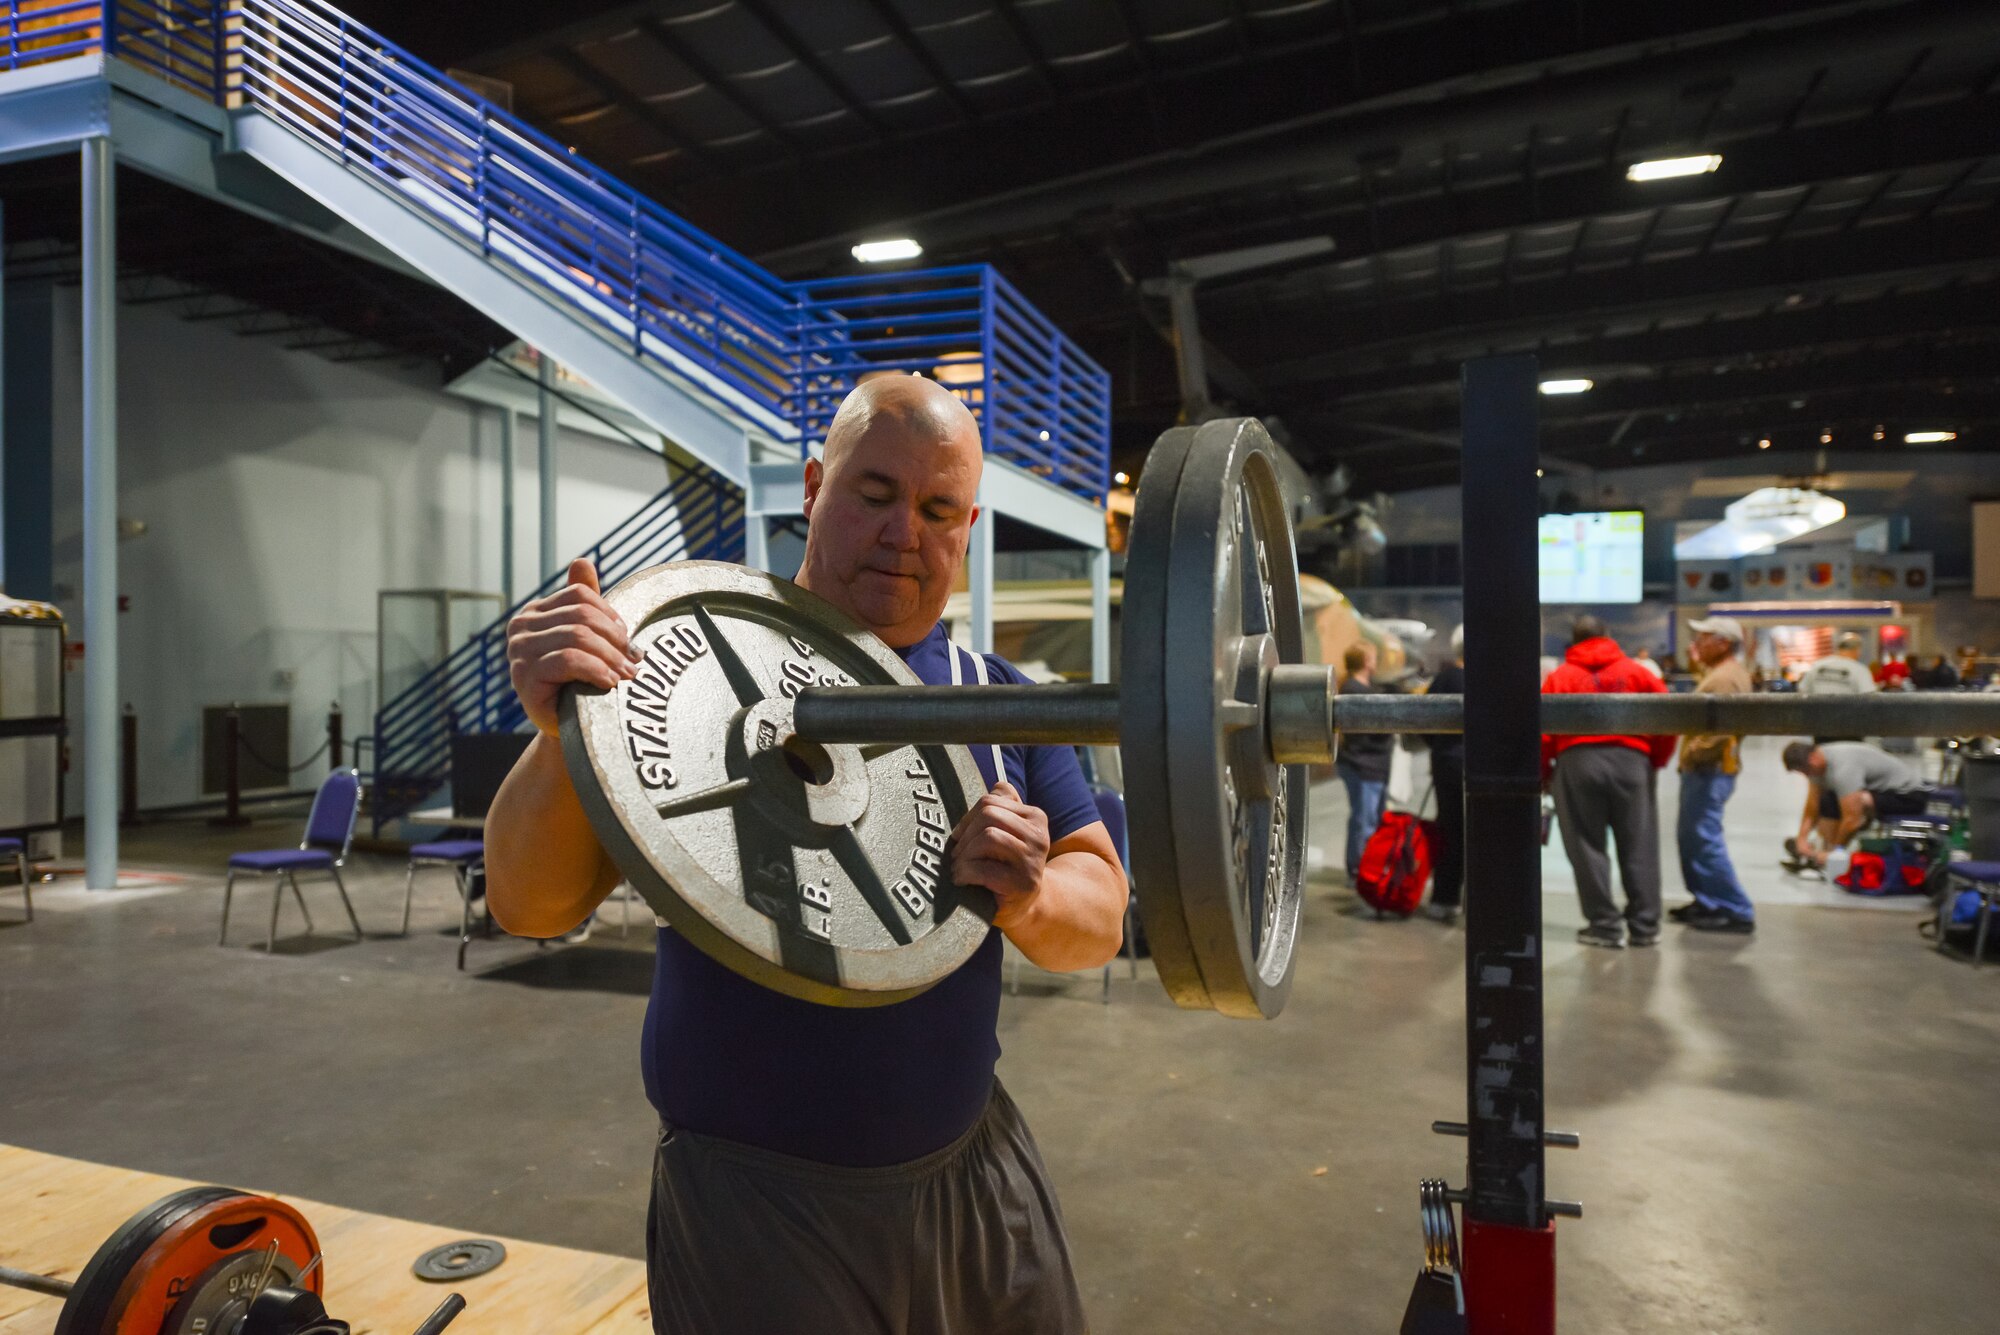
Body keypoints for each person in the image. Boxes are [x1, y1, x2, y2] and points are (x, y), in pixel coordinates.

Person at [486, 375, 1126, 1335]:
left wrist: (1028, 896)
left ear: (969, 525)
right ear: (815, 487)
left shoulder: (992, 698)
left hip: (973, 1170)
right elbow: (530, 906)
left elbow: (1101, 916)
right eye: (874, 494)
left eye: (938, 508)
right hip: (759, 1205)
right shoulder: (685, 671)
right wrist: (556, 732)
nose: (903, 531)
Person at [1542, 615, 1675, 949]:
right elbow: (1669, 715)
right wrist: (1654, 758)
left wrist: (1545, 772)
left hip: (1577, 761)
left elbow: (1541, 731)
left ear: (1573, 641)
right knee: (1639, 844)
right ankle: (1644, 927)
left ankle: (1604, 925)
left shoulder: (1560, 677)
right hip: (1632, 761)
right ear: (1607, 634)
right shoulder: (1637, 672)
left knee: (1586, 845)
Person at [1668, 617, 1756, 934]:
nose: (1697, 644)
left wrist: (1693, 754)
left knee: (1704, 839)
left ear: (1723, 643)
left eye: (1704, 638)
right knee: (1693, 838)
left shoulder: (1726, 680)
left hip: (1709, 770)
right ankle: (1707, 900)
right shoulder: (1721, 675)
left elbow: (1721, 729)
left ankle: (1735, 908)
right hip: (1707, 770)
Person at [1781, 740, 1935, 870]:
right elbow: (1812, 805)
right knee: (1827, 800)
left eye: (1806, 771)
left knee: (1858, 801)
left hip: (1909, 796)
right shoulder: (1816, 766)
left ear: (1813, 758)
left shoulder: (1843, 768)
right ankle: (1820, 853)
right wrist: (1802, 838)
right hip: (1880, 791)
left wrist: (1835, 853)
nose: (1806, 775)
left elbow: (1852, 819)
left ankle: (1830, 855)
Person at [1335, 642, 1393, 885]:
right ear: (1365, 661)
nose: (1376, 660)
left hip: (1373, 765)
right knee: (1364, 821)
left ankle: (1365, 867)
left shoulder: (1362, 687)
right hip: (1363, 764)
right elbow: (1363, 734)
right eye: (1372, 656)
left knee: (1370, 820)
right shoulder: (1354, 689)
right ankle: (1359, 871)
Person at [1422, 628, 1466, 922]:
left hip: (1446, 763)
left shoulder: (1444, 679)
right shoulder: (1490, 680)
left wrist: (1439, 745)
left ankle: (1445, 898)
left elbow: (1421, 721)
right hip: (1480, 766)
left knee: (1449, 829)